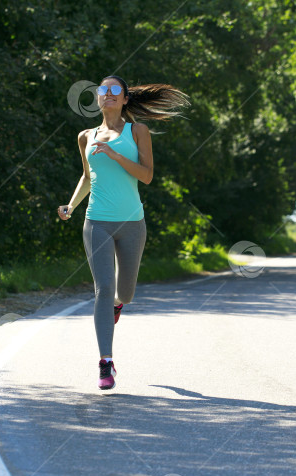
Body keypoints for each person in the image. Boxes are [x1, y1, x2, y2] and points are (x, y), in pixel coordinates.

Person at [57, 75, 190, 390]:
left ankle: (118, 305)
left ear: (126, 99)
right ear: (99, 99)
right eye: (104, 90)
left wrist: (116, 155)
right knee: (103, 288)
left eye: (115, 90)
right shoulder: (86, 136)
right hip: (97, 221)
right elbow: (88, 177)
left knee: (124, 293)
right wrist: (72, 206)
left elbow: (147, 176)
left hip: (132, 223)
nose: (109, 94)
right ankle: (106, 363)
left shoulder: (138, 131)